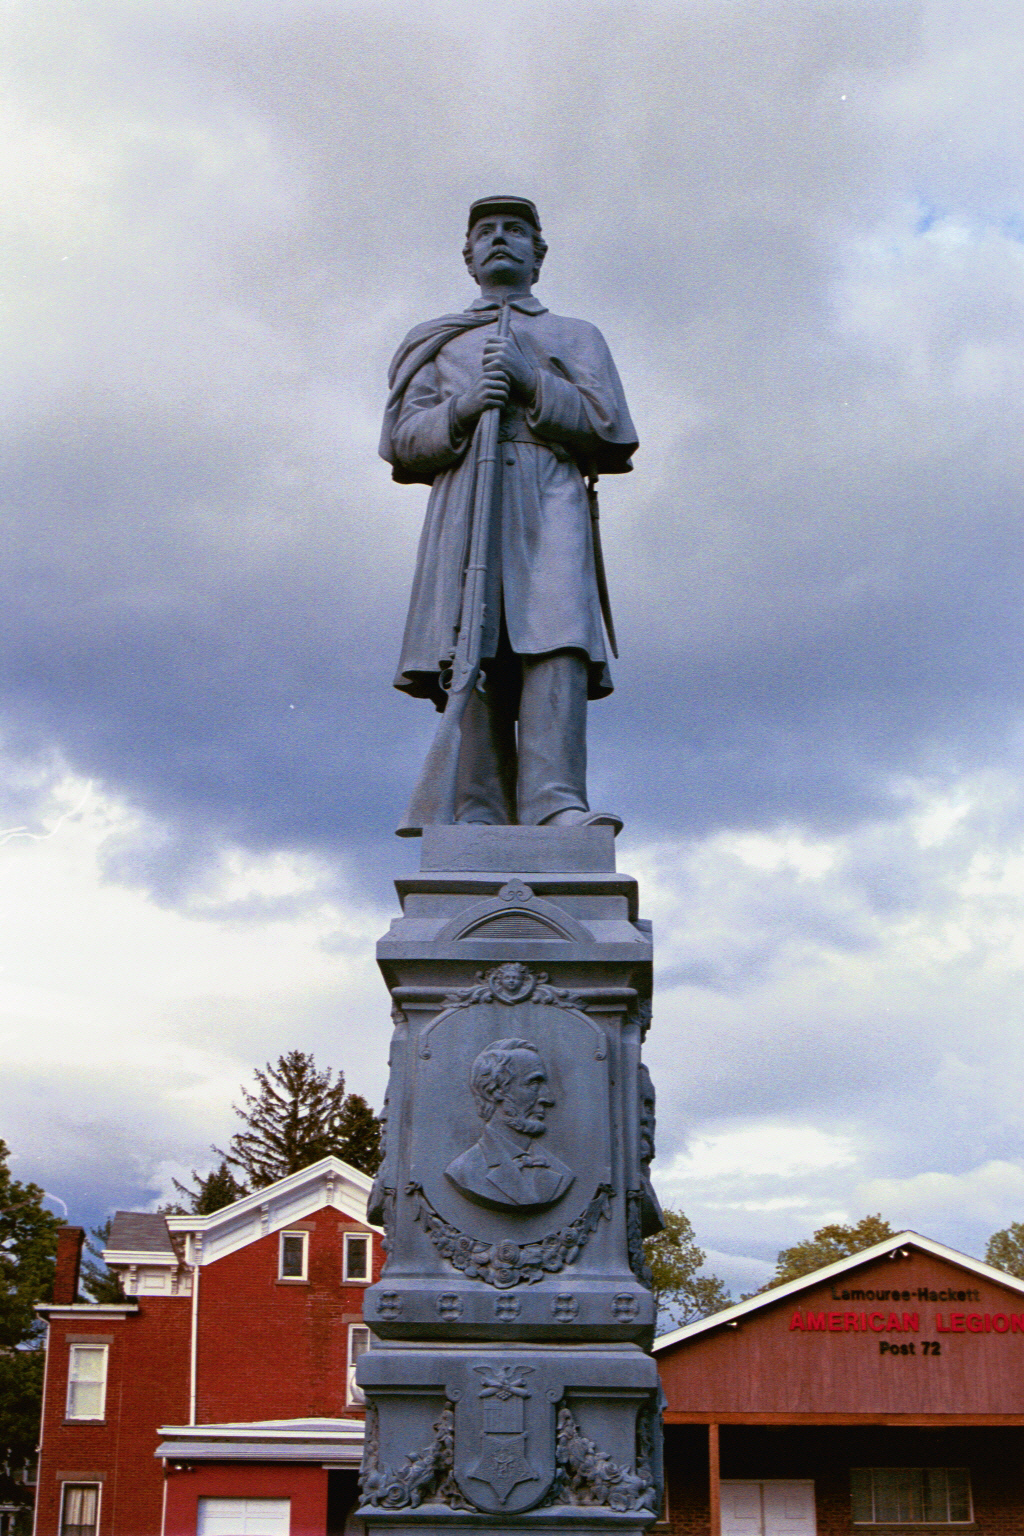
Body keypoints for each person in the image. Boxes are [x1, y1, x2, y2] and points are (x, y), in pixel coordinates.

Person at [380, 196, 638, 830]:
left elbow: (612, 431)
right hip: (467, 495)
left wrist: (533, 383)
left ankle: (555, 803)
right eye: (487, 232)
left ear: (538, 254)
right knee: (472, 642)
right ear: (468, 257)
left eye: (516, 231)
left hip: (550, 492)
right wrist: (463, 407)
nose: (501, 239)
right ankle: (476, 809)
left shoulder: (576, 336)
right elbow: (401, 441)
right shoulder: (433, 341)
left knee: (558, 639)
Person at [445, 1038, 574, 1212]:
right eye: (534, 1084)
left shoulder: (562, 1171)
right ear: (494, 1091)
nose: (548, 1098)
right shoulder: (464, 1171)